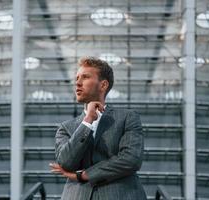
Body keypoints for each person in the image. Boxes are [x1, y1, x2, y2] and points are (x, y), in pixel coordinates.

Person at [49, 56, 147, 200]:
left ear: (103, 85)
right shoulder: (66, 128)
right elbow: (65, 162)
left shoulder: (128, 118)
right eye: (76, 78)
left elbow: (130, 160)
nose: (77, 83)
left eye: (85, 77)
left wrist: (84, 175)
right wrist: (87, 121)